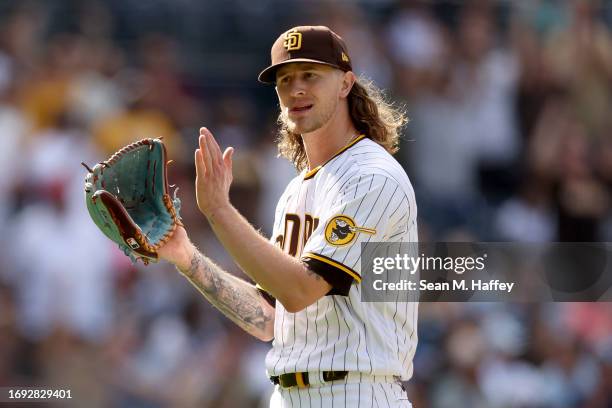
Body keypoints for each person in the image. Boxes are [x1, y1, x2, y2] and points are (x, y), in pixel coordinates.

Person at [158, 25, 418, 407]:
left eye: (310, 75)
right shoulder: (297, 191)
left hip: (357, 392)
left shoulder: (372, 176)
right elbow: (268, 318)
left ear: (346, 84)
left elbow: (301, 289)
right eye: (285, 79)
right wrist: (185, 255)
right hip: (288, 394)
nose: (295, 89)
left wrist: (218, 210)